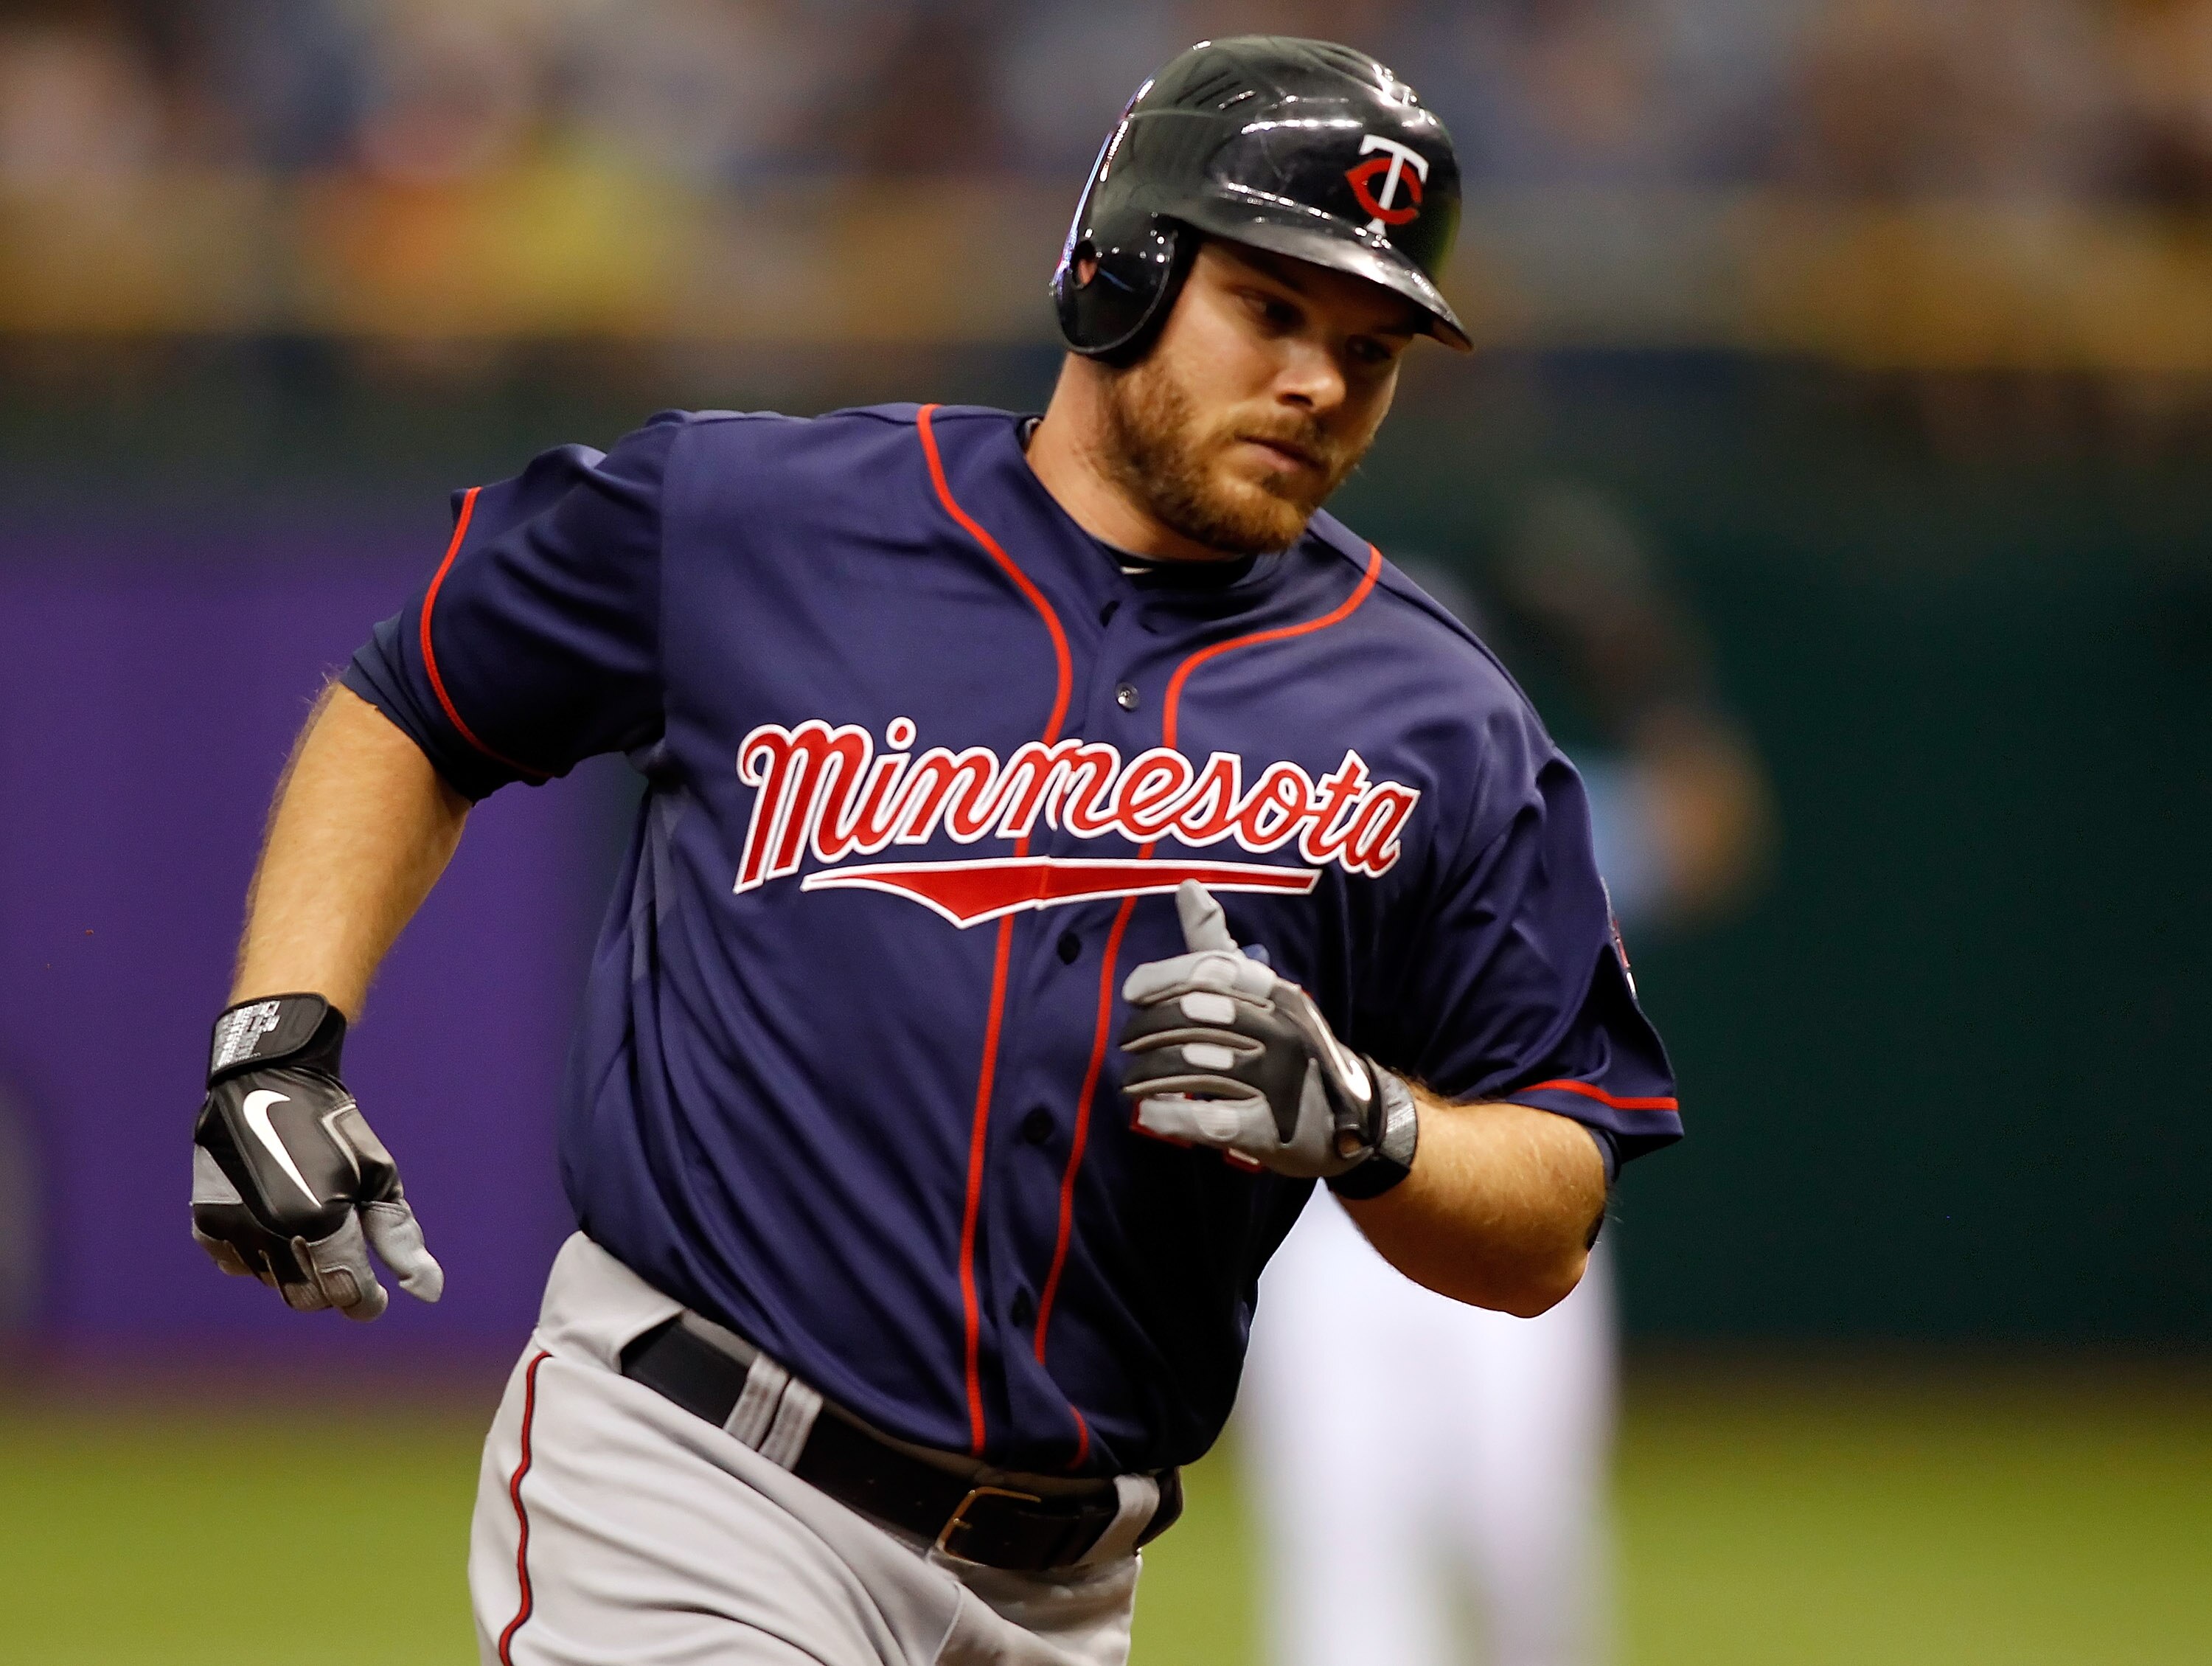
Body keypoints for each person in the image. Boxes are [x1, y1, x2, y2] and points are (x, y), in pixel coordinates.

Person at [186, 36, 1680, 1666]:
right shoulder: (760, 521)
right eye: (1271, 311)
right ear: (1120, 270)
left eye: (1373, 347)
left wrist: (1374, 1123)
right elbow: (417, 697)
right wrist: (280, 1039)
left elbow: (1554, 1198)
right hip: (697, 1474)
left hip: (1066, 1584)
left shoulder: (1439, 718)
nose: (1322, 381)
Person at [1242, 489, 1771, 1666]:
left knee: (1534, 1561)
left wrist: (1645, 663)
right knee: (1346, 1589)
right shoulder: (1256, 798)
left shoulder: (1531, 807)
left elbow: (1709, 833)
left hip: (1509, 1175)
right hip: (1316, 1219)